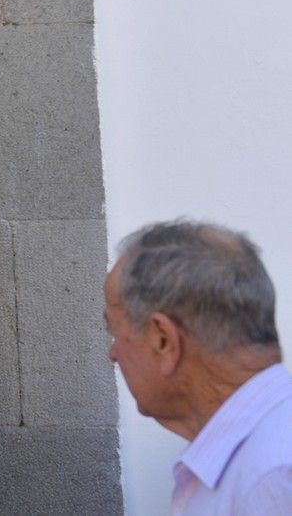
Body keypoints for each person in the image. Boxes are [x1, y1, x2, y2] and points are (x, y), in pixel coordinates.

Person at [104, 219, 292, 513]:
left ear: (163, 340)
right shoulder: (257, 457)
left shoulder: (272, 476)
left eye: (115, 331)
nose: (113, 353)